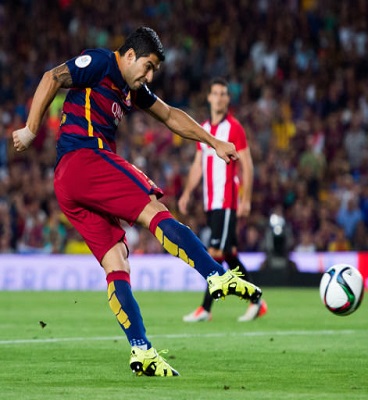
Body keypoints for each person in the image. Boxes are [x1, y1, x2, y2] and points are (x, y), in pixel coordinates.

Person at [12, 27, 262, 377]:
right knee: (153, 210)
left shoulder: (132, 89)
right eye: (148, 66)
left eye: (154, 70)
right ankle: (215, 275)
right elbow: (51, 77)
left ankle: (141, 350)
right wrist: (31, 128)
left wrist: (212, 141)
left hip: (69, 184)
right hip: (85, 158)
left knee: (118, 263)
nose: (150, 75)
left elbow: (171, 115)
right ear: (130, 55)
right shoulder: (101, 62)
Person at [178, 77, 267, 323]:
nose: (219, 97)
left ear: (228, 99)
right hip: (210, 202)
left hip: (226, 200)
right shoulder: (204, 128)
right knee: (229, 255)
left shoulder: (234, 128)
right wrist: (187, 193)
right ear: (208, 97)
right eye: (215, 93)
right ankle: (256, 300)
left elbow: (246, 164)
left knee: (215, 253)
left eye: (223, 94)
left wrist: (246, 199)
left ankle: (205, 308)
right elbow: (198, 164)